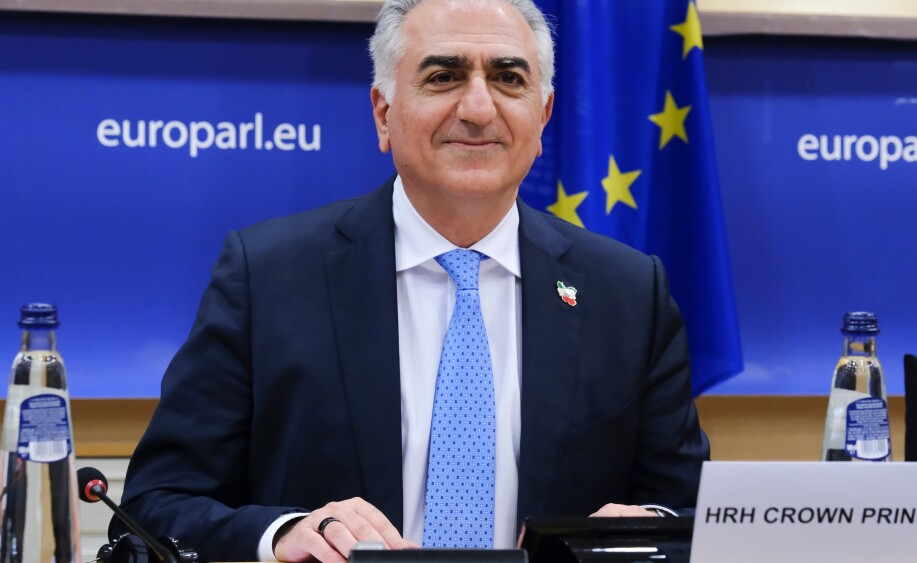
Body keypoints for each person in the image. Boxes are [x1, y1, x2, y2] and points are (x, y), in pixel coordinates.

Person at [112, 0, 710, 561]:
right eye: (444, 77)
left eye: (508, 78)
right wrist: (283, 534)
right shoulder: (266, 276)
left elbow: (694, 511)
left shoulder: (629, 293)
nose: (479, 108)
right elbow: (151, 507)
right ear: (384, 113)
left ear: (543, 116)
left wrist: (644, 527)